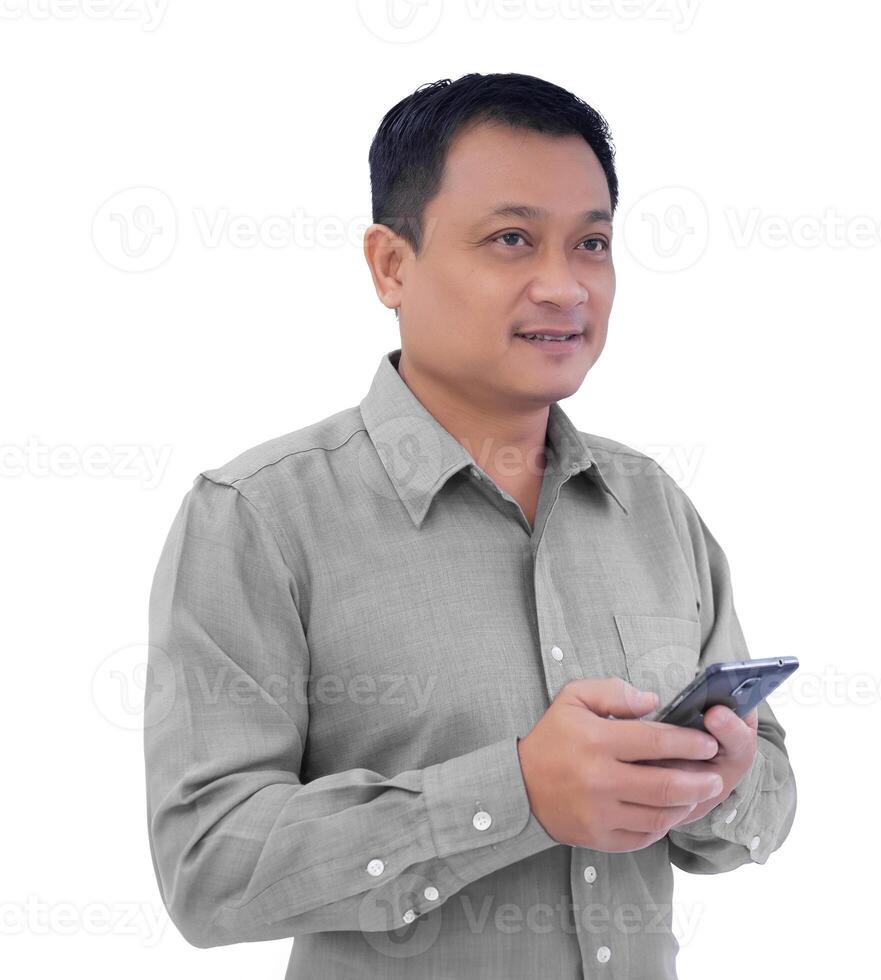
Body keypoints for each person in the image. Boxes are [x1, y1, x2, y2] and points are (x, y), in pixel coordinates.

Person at [143, 72, 796, 978]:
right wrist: (517, 794)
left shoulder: (655, 508)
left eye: (593, 242)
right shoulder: (257, 518)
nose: (565, 287)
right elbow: (208, 870)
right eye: (511, 239)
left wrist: (720, 788)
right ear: (390, 265)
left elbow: (766, 801)